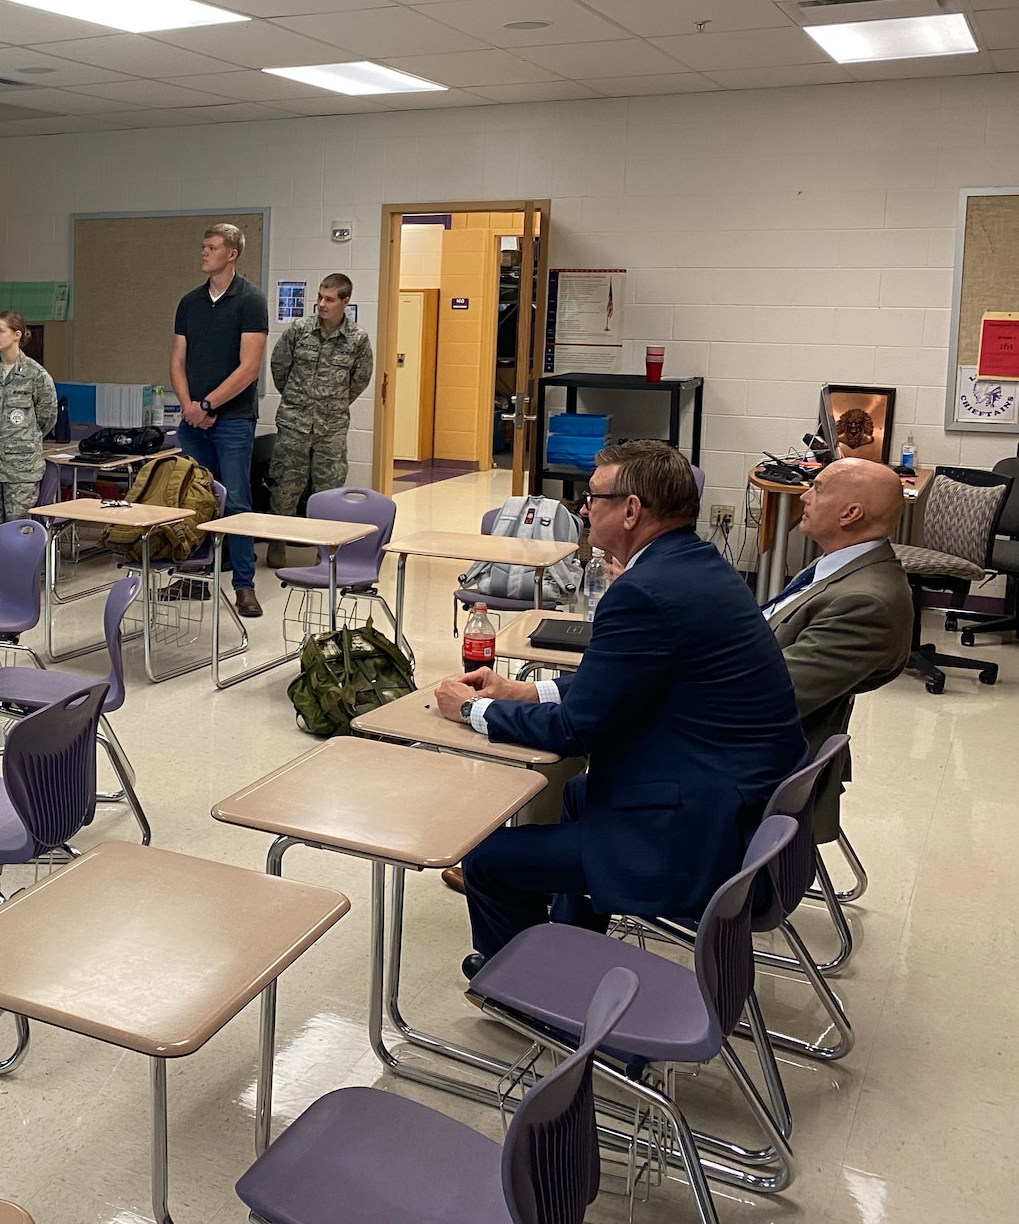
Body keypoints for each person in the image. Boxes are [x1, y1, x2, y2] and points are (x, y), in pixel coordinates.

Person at [433, 441, 805, 966]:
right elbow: (622, 684)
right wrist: (522, 690)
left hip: (697, 834)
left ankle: (529, 985)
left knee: (488, 858)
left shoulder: (643, 592)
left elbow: (575, 731)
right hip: (733, 798)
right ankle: (571, 949)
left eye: (593, 498)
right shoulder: (699, 565)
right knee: (582, 793)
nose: (584, 510)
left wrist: (472, 711)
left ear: (631, 510)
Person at [765, 457, 914, 842]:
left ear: (850, 513)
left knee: (595, 729)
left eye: (818, 489)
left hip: (758, 757)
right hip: (748, 720)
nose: (805, 496)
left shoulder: (867, 602)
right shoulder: (837, 567)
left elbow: (767, 699)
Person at [169, 223, 270, 616]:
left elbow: (249, 368)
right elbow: (177, 360)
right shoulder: (189, 303)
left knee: (238, 502)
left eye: (212, 247)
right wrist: (190, 407)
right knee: (194, 499)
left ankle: (243, 584)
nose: (204, 252)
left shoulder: (250, 301)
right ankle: (195, 577)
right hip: (193, 421)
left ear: (232, 254)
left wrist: (208, 405)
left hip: (232, 420)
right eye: (203, 246)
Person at [266, 273, 372, 565]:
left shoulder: (357, 339)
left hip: (332, 427)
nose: (321, 304)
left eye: (329, 299)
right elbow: (279, 367)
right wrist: (297, 399)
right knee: (286, 485)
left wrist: (331, 403)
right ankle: (277, 543)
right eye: (320, 297)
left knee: (329, 490)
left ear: (345, 301)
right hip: (293, 422)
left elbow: (359, 379)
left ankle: (323, 551)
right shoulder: (299, 330)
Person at [0, 310, 55, 596]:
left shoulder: (35, 375)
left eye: (0, 331)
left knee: (18, 524)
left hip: (21, 464)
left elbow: (46, 417)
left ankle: (17, 578)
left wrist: (22, 441)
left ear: (17, 335)